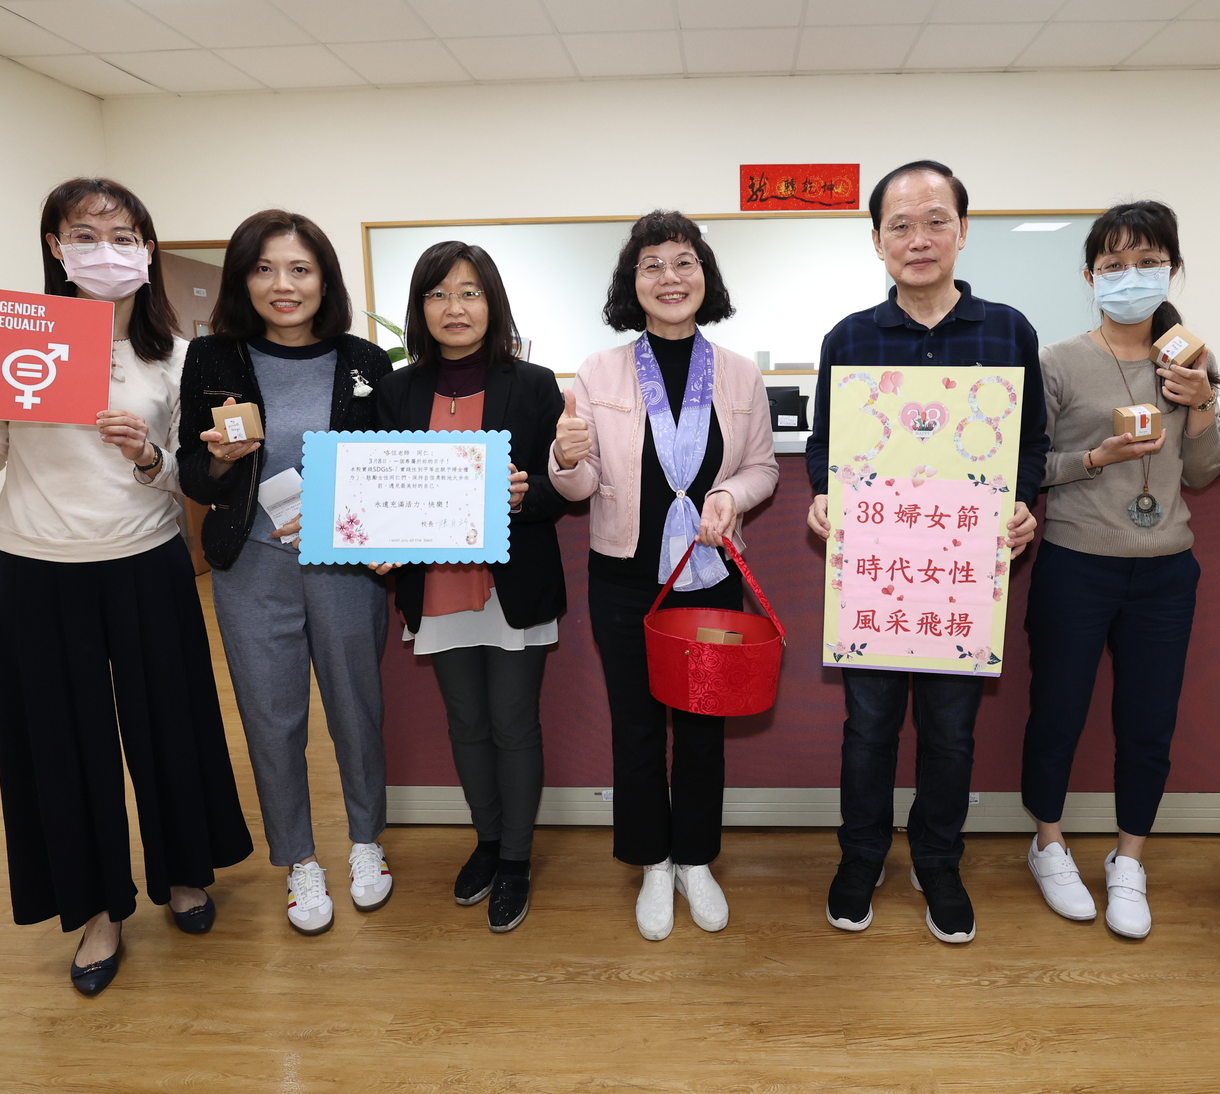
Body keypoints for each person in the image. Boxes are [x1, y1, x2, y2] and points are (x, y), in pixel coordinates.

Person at [0, 177, 252, 995]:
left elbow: (186, 478)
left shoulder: (178, 356)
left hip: (146, 561)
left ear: (148, 248)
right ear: (55, 246)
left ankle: (185, 873)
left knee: (169, 723)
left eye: (122, 235)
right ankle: (96, 910)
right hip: (35, 569)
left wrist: (146, 456)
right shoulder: (6, 339)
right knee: (60, 743)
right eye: (84, 235)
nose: (105, 250)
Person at [806, 160, 1046, 944]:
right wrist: (822, 495)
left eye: (936, 221)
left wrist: (1020, 504)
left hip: (962, 577)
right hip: (878, 577)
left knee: (951, 733)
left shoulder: (1009, 330)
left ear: (963, 231)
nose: (919, 239)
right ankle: (862, 855)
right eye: (900, 226)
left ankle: (938, 860)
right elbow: (823, 448)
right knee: (867, 728)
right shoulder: (849, 338)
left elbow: (1030, 445)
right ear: (876, 241)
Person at [549, 210, 778, 941]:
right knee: (638, 725)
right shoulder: (597, 371)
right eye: (652, 265)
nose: (669, 277)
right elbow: (579, 489)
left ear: (703, 276)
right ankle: (652, 861)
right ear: (632, 283)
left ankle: (696, 858)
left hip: (710, 573)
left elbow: (763, 468)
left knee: (704, 726)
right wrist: (564, 457)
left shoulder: (740, 373)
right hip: (624, 575)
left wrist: (728, 496)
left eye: (683, 262)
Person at [177, 210, 393, 938]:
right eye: (265, 269)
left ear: (323, 278)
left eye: (299, 269)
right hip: (253, 567)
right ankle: (298, 859)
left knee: (355, 709)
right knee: (273, 720)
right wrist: (220, 461)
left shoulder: (365, 360)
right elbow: (195, 478)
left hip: (346, 567)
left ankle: (367, 843)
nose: (283, 284)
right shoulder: (212, 361)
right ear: (243, 279)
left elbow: (383, 469)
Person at [1020, 201, 1220, 940]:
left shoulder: (1188, 359)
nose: (1130, 278)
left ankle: (1129, 859)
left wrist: (1203, 406)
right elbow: (1031, 464)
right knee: (1059, 711)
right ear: (1089, 276)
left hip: (1167, 570)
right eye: (1113, 266)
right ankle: (1047, 841)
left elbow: (1203, 476)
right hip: (1078, 563)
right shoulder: (1061, 360)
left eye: (1146, 263)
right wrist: (1096, 459)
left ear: (1170, 269)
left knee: (1149, 723)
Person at [374, 242, 566, 935]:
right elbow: (380, 484)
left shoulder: (536, 384)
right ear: (420, 308)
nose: (455, 308)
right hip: (436, 586)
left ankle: (516, 858)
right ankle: (486, 842)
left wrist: (528, 492)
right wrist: (369, 537)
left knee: (515, 723)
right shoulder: (396, 389)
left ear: (493, 303)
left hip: (512, 581)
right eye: (438, 294)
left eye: (470, 292)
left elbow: (562, 489)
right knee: (467, 723)